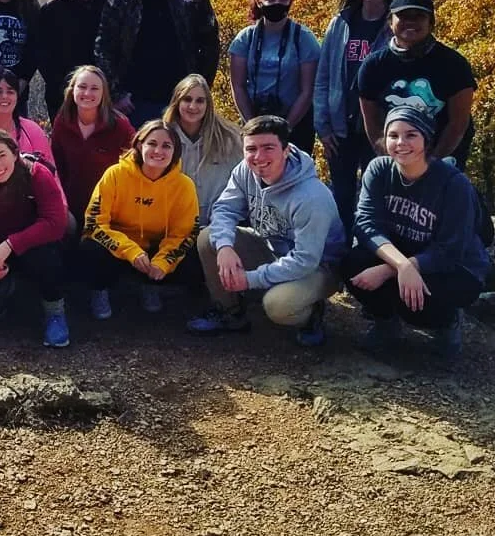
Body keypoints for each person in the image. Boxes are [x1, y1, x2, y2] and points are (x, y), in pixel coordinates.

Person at [342, 106, 489, 363]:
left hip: (456, 268)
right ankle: (386, 324)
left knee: (416, 301)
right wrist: (401, 265)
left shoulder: (453, 184)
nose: (401, 143)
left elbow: (451, 249)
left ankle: (446, 322)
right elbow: (366, 224)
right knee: (351, 264)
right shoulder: (379, 170)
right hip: (404, 254)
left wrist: (395, 269)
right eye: (393, 135)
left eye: (411, 135)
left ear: (426, 139)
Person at [187, 116, 345, 346]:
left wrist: (250, 279)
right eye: (251, 149)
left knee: (277, 305)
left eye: (268, 148)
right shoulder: (245, 171)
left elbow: (305, 260)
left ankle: (311, 313)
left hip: (318, 266)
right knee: (209, 237)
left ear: (286, 150)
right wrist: (224, 247)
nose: (258, 157)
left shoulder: (311, 197)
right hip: (272, 249)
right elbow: (224, 209)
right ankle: (230, 312)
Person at [0, 129, 70, 347]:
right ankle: (2, 291)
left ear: (15, 154)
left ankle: (54, 312)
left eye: (2, 155)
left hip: (30, 246)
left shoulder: (36, 174)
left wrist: (11, 244)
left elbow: (56, 223)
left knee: (48, 259)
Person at [95, 0, 219, 127]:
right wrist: (116, 94)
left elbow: (210, 49)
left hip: (183, 101)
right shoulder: (119, 3)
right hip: (134, 104)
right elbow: (104, 50)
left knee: (186, 157)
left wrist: (200, 93)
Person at [79, 120, 199, 318]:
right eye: (152, 143)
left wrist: (163, 262)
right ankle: (99, 290)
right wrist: (130, 251)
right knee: (90, 247)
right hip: (119, 248)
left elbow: (185, 232)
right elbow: (94, 223)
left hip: (154, 248)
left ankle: (151, 287)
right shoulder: (115, 174)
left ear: (175, 152)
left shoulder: (184, 185)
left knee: (194, 251)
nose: (158, 151)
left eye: (166, 146)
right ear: (139, 145)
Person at [314, 0, 394, 240]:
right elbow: (323, 77)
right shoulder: (342, 23)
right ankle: (343, 252)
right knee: (343, 193)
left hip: (382, 126)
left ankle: (376, 250)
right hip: (341, 124)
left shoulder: (395, 25)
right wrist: (322, 127)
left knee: (380, 191)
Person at [358, 0, 476, 171]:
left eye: (418, 16)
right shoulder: (373, 66)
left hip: (443, 157)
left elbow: (458, 124)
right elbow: (372, 124)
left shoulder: (455, 65)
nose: (410, 22)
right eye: (403, 16)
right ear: (390, 22)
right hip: (394, 157)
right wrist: (393, 160)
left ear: (431, 23)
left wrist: (431, 163)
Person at [229, 0, 320, 154]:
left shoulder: (303, 38)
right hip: (255, 119)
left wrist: (285, 128)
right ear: (259, 1)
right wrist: (252, 125)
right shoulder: (245, 39)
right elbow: (238, 86)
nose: (277, 3)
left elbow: (307, 90)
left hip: (296, 123)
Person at [51, 65, 133, 229]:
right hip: (72, 209)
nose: (87, 93)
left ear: (104, 93)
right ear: (72, 90)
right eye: (82, 87)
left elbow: (133, 169)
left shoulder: (120, 126)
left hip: (109, 213)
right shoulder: (62, 122)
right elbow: (56, 167)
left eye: (94, 88)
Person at [38, 0, 110, 120]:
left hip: (104, 97)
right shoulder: (51, 10)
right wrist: (64, 87)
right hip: (61, 97)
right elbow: (42, 54)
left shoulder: (112, 8)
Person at [162, 74, 242, 230]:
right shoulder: (162, 139)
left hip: (219, 227)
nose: (193, 106)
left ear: (208, 104)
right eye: (187, 99)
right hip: (172, 227)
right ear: (177, 102)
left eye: (200, 100)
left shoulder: (230, 138)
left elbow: (245, 181)